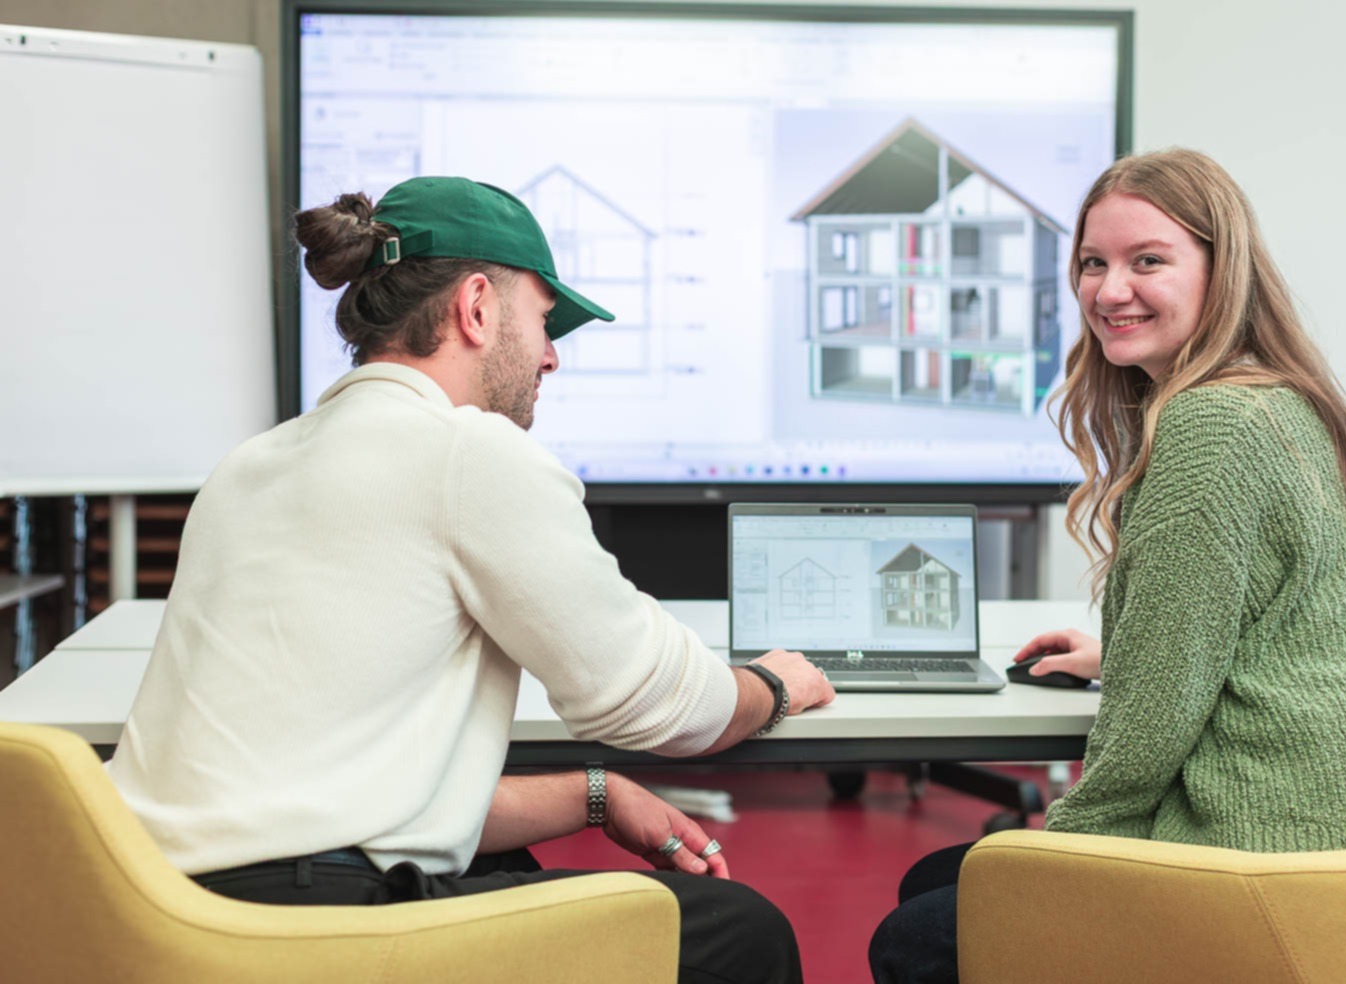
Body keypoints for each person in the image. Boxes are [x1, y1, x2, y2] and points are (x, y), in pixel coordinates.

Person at [105, 176, 836, 984]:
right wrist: (775, 684)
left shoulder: (249, 467)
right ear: (478, 308)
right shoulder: (466, 451)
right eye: (544, 321)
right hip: (317, 935)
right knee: (741, 932)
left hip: (155, 918)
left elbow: (349, 797)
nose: (551, 356)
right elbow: (660, 703)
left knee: (509, 867)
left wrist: (595, 794)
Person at [868, 149, 1346, 984]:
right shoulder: (1275, 400)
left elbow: (1151, 727)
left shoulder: (1210, 427)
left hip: (1275, 845)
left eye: (1148, 261)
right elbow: (1272, 624)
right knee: (940, 882)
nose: (1110, 291)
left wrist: (1058, 855)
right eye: (1092, 264)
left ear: (1223, 270)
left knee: (919, 934)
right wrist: (1127, 651)